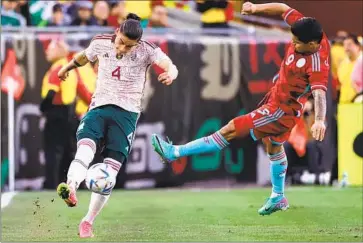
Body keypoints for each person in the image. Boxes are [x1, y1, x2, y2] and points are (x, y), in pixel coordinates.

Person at [151, 2, 329, 216]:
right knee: (272, 146)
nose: (293, 44)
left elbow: (319, 93)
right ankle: (278, 196)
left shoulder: (318, 64)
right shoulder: (306, 27)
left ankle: (175, 152)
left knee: (231, 129)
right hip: (277, 101)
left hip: (280, 110)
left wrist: (319, 120)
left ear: (312, 44)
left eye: (297, 43)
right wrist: (254, 9)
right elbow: (283, 8)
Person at [56, 13, 178, 238]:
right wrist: (67, 68)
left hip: (127, 115)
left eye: (129, 46)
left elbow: (169, 64)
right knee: (85, 147)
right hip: (99, 107)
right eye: (121, 42)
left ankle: (87, 221)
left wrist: (170, 73)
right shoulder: (101, 42)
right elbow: (84, 56)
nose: (122, 49)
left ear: (138, 44)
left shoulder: (146, 50)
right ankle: (71, 186)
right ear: (117, 32)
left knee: (110, 173)